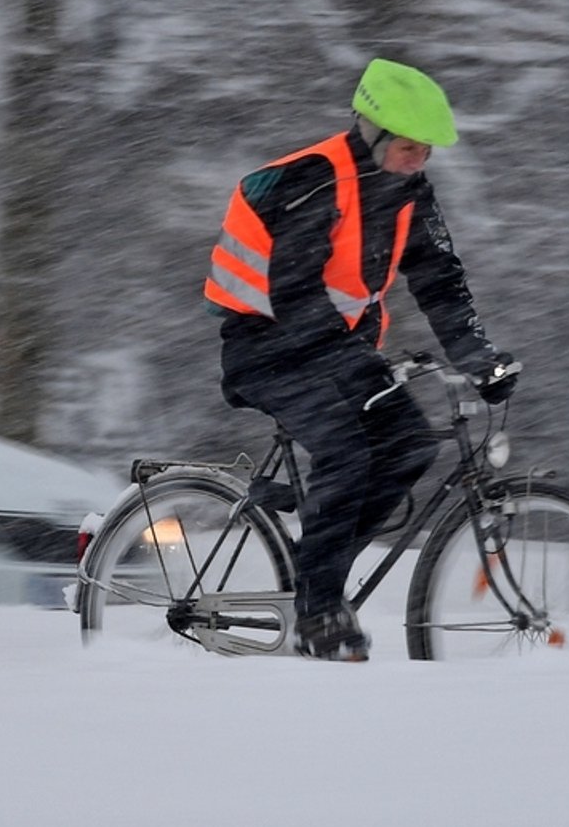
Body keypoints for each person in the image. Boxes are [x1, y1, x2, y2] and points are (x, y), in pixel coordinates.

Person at [203, 57, 517, 662]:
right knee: (346, 453)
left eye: (425, 150)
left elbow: (440, 281)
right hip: (265, 349)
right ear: (370, 133)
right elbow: (295, 295)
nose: (418, 159)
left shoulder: (408, 195)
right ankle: (319, 611)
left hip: (335, 353)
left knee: (411, 447)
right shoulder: (315, 182)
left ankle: (316, 575)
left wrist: (480, 358)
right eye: (407, 146)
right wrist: (357, 364)